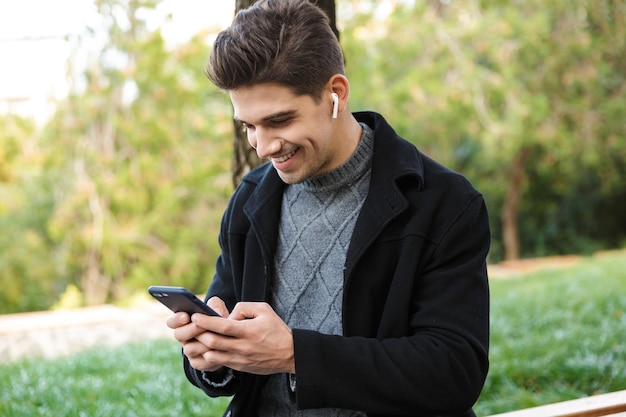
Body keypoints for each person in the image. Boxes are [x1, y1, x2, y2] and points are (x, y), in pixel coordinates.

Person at [165, 0, 491, 416]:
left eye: (279, 121)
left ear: (335, 94)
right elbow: (226, 354)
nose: (263, 147)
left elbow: (453, 372)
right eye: (248, 126)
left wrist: (296, 355)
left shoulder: (444, 203)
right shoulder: (250, 201)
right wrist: (209, 355)